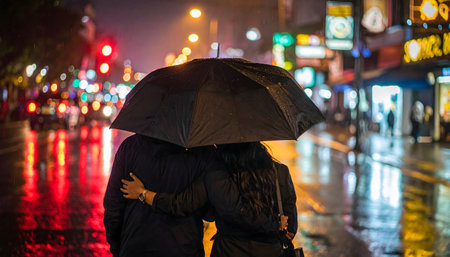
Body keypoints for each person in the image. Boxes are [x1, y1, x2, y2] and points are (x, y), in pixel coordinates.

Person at [121, 142, 298, 257]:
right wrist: (275, 224)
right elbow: (290, 229)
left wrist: (144, 194)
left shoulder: (217, 174)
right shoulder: (279, 173)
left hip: (228, 252)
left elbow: (182, 204)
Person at [103, 134, 211, 257]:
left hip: (135, 245)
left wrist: (117, 246)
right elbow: (208, 211)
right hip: (184, 247)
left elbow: (113, 206)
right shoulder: (201, 152)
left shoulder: (131, 147)